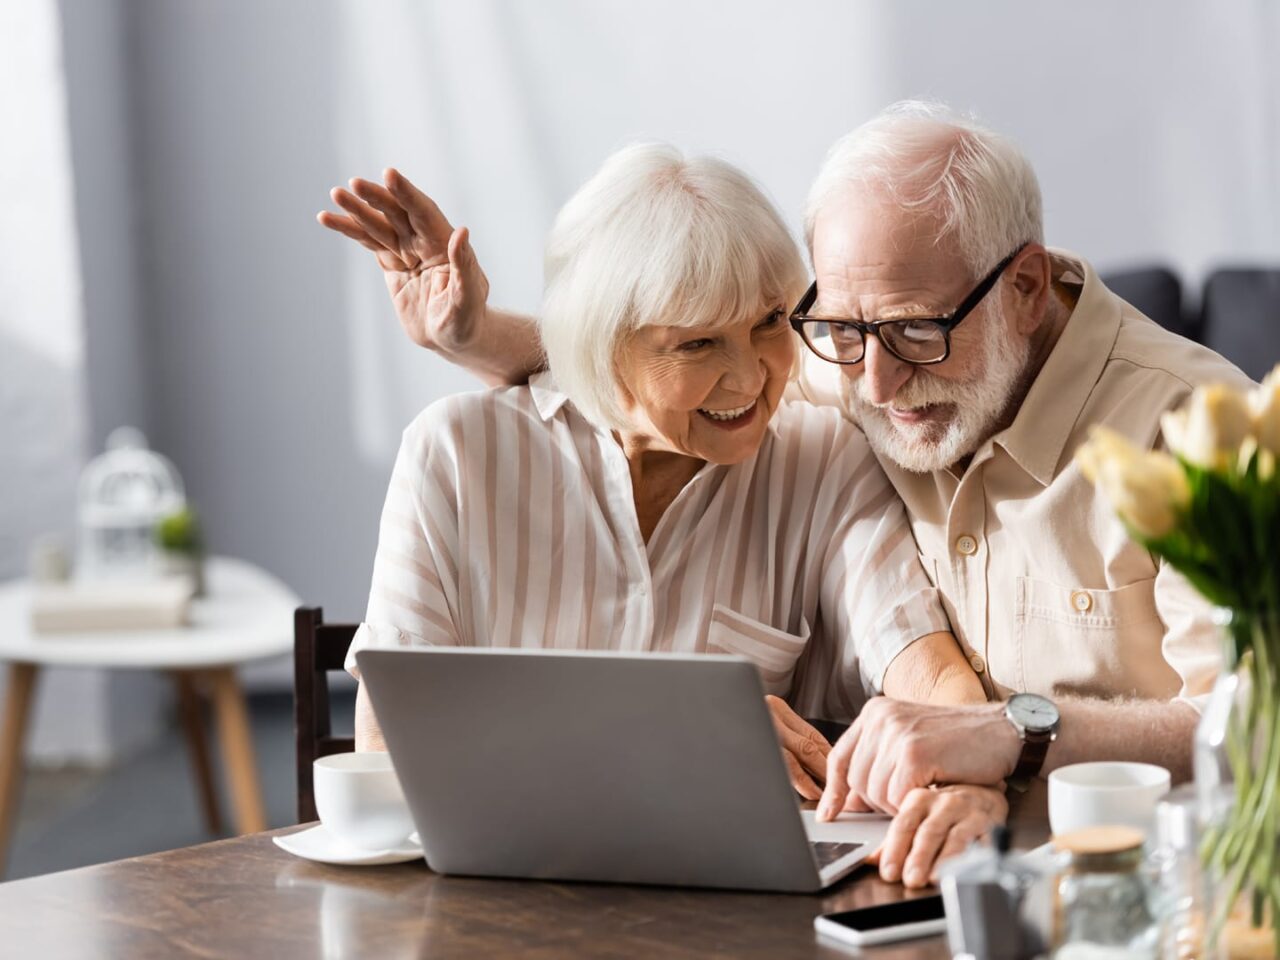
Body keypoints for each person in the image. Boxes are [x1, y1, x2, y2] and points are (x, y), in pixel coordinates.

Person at [329, 144, 996, 883]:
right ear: (604, 347)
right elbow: (386, 758)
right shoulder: (454, 454)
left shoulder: (823, 457)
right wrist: (658, 740)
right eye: (698, 342)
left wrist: (969, 778)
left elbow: (923, 665)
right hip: (500, 907)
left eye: (771, 322)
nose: (750, 377)